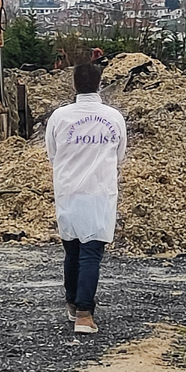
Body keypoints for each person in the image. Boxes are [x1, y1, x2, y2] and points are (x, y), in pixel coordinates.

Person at [44, 62, 127, 334]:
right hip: (99, 192)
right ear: (100, 83)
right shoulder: (113, 117)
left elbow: (52, 153)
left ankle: (72, 303)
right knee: (91, 251)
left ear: (74, 84)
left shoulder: (59, 117)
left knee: (72, 248)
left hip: (68, 191)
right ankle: (84, 313)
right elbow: (119, 155)